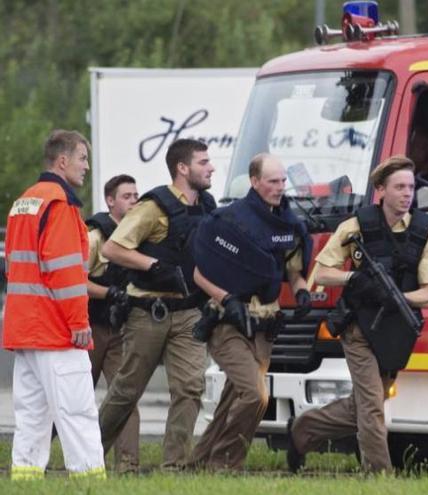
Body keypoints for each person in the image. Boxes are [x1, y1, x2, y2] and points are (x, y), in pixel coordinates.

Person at [287, 156, 428, 474]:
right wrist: (354, 279)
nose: (407, 193)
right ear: (381, 190)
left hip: (396, 330)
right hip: (359, 327)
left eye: (411, 187)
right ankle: (379, 475)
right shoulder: (356, 226)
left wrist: (397, 298)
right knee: (372, 405)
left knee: (365, 404)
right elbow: (322, 272)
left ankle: (303, 430)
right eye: (399, 187)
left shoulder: (424, 232)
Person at [187, 153, 312, 471]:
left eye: (283, 180)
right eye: (272, 181)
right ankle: (225, 464)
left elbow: (293, 271)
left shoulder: (288, 225)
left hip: (264, 325)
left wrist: (302, 293)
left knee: (234, 397)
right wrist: (226, 299)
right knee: (256, 396)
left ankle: (198, 462)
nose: (280, 187)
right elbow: (199, 273)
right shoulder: (229, 221)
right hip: (228, 322)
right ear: (255, 182)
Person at [98, 138, 216, 471]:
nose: (211, 168)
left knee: (191, 389)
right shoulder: (154, 206)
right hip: (148, 312)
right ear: (183, 168)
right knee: (126, 391)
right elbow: (113, 249)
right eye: (203, 162)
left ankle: (174, 469)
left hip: (189, 312)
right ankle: (89, 458)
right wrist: (153, 265)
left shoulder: (207, 205)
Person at [3, 130, 106, 480]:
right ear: (63, 161)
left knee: (32, 416)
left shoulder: (24, 202)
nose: (87, 167)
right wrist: (79, 323)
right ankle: (90, 481)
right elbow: (64, 274)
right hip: (56, 331)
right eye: (82, 158)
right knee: (77, 413)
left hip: (24, 328)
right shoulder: (60, 205)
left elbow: (16, 266)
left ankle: (25, 480)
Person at [85, 174, 140, 473]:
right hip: (90, 330)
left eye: (136, 196)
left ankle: (128, 466)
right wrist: (110, 292)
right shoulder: (95, 236)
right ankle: (65, 459)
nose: (134, 201)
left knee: (125, 396)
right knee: (77, 401)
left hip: (120, 331)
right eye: (126, 196)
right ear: (110, 201)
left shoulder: (138, 236)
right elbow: (76, 282)